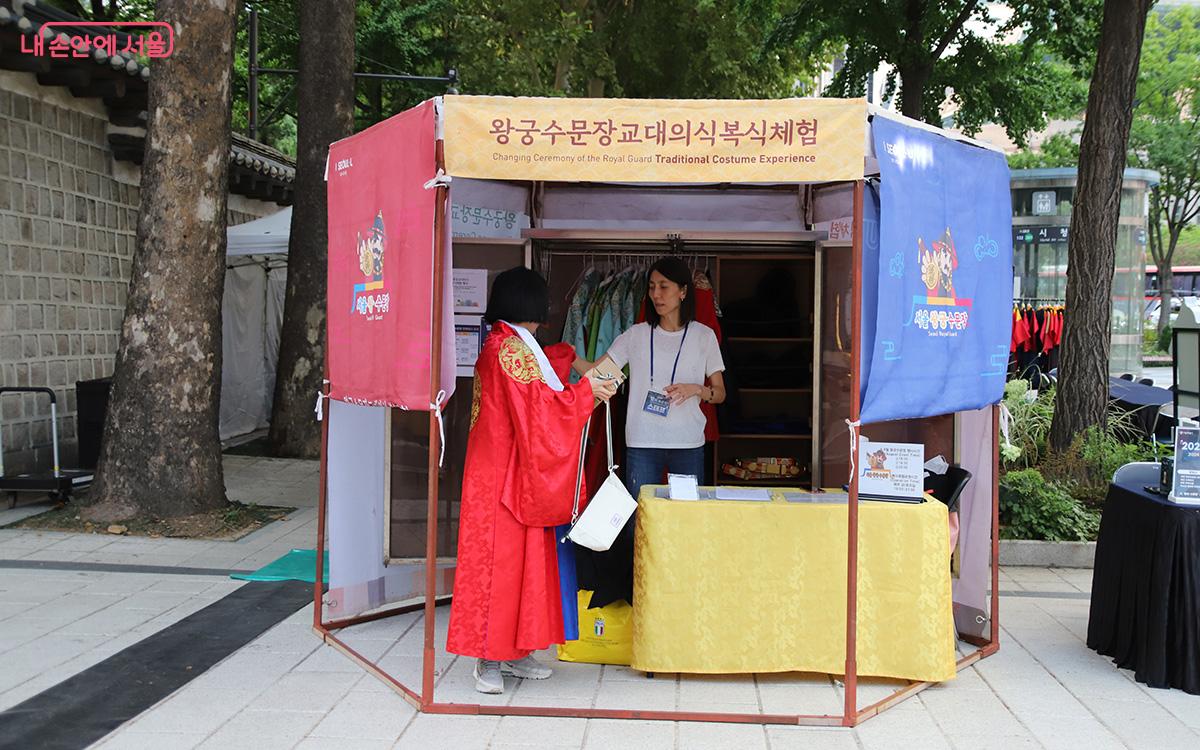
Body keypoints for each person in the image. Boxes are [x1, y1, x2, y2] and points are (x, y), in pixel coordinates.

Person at [446, 267, 616, 695]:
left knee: (517, 566)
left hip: (501, 471)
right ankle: (487, 658)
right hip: (504, 477)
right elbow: (542, 410)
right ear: (532, 305)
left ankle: (513, 652)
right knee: (501, 567)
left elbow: (542, 379)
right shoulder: (510, 351)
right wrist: (588, 391)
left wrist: (575, 364)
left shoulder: (506, 344)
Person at [578, 256, 727, 496]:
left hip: (687, 442)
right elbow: (597, 374)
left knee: (685, 517)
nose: (656, 294)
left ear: (683, 291)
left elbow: (720, 393)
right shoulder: (635, 335)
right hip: (642, 441)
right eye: (651, 287)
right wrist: (565, 356)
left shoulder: (704, 336)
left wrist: (697, 389)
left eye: (664, 286)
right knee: (642, 517)